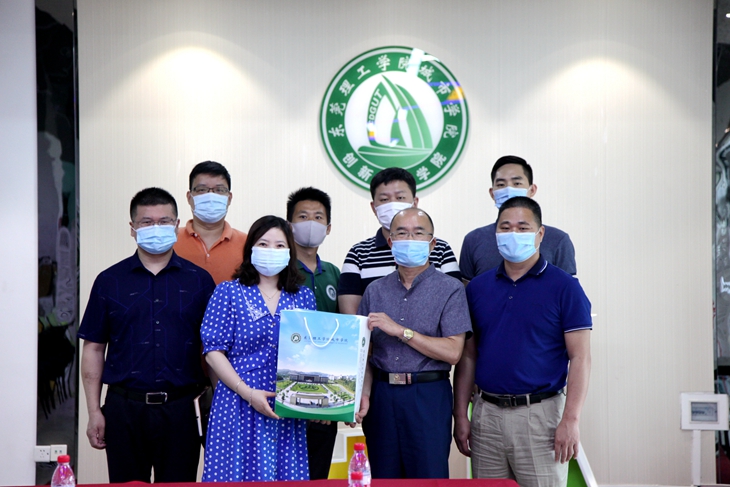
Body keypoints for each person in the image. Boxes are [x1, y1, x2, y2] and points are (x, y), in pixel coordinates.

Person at [79, 187, 215, 483]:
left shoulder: (200, 281)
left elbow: (215, 350)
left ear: (177, 226)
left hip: (182, 409)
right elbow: (93, 348)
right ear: (132, 228)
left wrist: (219, 407)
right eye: (147, 222)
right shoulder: (109, 281)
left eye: (164, 221)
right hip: (123, 409)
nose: (156, 228)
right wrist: (94, 411)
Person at [453, 197, 592, 487]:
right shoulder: (477, 288)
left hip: (541, 416)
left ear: (540, 234)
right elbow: (468, 356)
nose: (513, 234)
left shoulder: (565, 287)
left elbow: (580, 358)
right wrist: (461, 415)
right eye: (505, 227)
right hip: (486, 415)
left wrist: (571, 420)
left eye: (522, 227)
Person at [354, 207, 471, 479]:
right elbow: (365, 354)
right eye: (402, 233)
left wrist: (401, 331)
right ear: (391, 242)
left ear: (432, 243)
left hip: (427, 396)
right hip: (382, 396)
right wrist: (364, 394)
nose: (410, 239)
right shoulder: (375, 290)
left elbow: (453, 352)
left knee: (428, 477)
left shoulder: (450, 289)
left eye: (418, 233)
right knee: (382, 477)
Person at [200, 215, 317, 482]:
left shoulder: (303, 296)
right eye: (263, 244)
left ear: (290, 252)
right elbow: (213, 352)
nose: (271, 251)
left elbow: (312, 353)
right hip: (237, 400)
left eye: (279, 245)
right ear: (250, 248)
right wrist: (248, 393)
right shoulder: (228, 292)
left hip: (287, 405)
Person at [338, 168, 461, 315]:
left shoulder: (440, 249)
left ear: (415, 202)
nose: (392, 204)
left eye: (400, 197)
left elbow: (456, 304)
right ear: (374, 207)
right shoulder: (358, 254)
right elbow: (352, 318)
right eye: (384, 199)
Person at [286, 187, 340, 480]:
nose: (311, 223)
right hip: (284, 392)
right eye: (303, 216)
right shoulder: (278, 272)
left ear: (328, 227)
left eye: (318, 217)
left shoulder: (334, 273)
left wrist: (328, 400)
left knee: (318, 475)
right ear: (290, 225)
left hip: (324, 397)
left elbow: (343, 335)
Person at [460, 155, 576, 282]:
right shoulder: (474, 240)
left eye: (517, 183)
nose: (509, 190)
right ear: (492, 193)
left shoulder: (558, 240)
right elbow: (467, 289)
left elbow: (566, 287)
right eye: (501, 184)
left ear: (532, 190)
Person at [174, 160, 247, 284]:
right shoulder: (170, 240)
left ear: (229, 198)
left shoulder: (247, 243)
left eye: (219, 190)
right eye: (202, 189)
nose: (211, 196)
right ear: (189, 197)